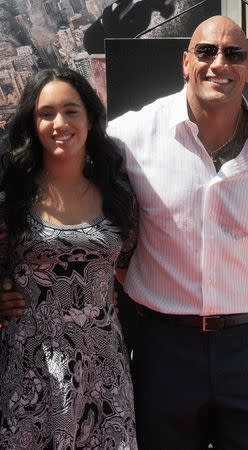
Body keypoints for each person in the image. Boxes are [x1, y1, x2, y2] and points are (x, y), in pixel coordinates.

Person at [105, 15, 248, 449]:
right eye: (206, 51)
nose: (219, 63)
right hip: (164, 348)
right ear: (185, 62)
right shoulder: (127, 138)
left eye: (234, 53)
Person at [0, 68, 138, 448]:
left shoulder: (118, 194)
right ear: (33, 122)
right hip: (29, 369)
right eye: (46, 113)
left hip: (103, 367)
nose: (59, 123)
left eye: (70, 111)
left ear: (90, 118)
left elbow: (129, 263)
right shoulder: (11, 194)